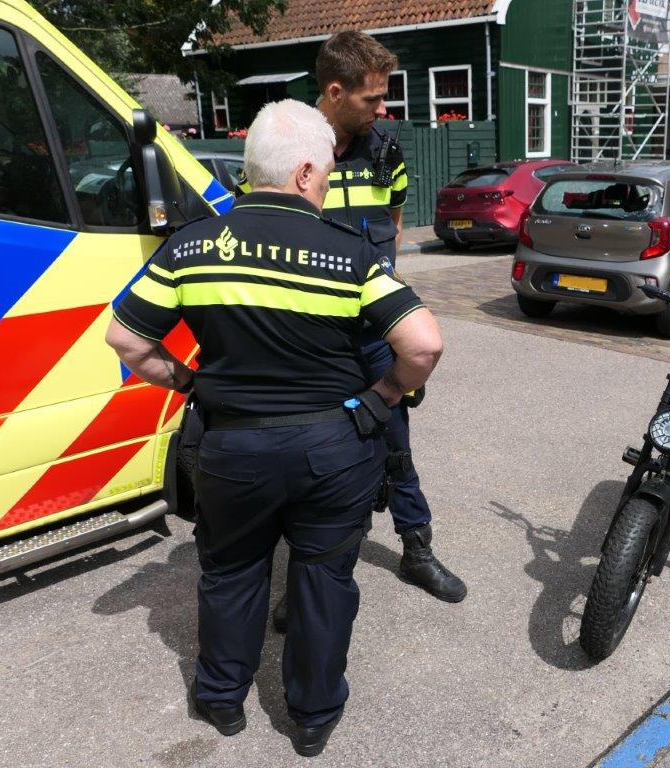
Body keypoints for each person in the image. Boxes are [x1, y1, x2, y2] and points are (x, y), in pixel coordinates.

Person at [105, 99, 443, 757]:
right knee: (323, 578)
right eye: (322, 177)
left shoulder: (191, 247)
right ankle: (312, 716)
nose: (322, 188)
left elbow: (126, 338)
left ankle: (222, 699)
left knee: (231, 572)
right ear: (304, 172)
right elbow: (423, 345)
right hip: (333, 447)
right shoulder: (348, 256)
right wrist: (382, 399)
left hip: (231, 446)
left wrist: (189, 384)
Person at [270, 31, 466, 637]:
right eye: (373, 98)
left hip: (376, 332)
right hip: (317, 340)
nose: (384, 109)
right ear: (335, 91)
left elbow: (395, 222)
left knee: (395, 444)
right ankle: (308, 583)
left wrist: (393, 305)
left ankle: (417, 551)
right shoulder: (289, 148)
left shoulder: (386, 146)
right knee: (316, 463)